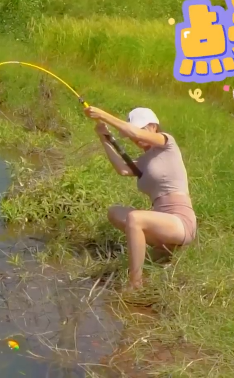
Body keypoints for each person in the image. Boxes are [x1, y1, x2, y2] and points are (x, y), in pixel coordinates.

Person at [83, 106, 196, 290]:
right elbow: (123, 169)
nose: (136, 138)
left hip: (181, 221)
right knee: (115, 213)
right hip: (162, 220)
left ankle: (135, 284)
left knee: (135, 219)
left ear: (153, 126)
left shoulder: (166, 143)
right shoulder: (144, 161)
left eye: (141, 130)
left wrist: (102, 115)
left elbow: (132, 131)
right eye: (135, 135)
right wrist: (104, 139)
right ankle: (164, 250)